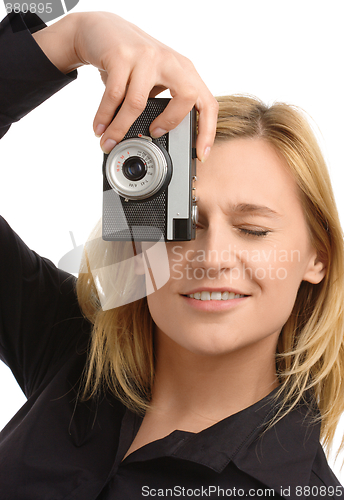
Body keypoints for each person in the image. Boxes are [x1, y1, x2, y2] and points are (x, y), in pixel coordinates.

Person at [0, 9, 343, 500]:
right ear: (141, 238)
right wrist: (72, 38)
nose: (211, 255)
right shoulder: (73, 354)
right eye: (183, 224)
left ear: (319, 258)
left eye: (252, 229)